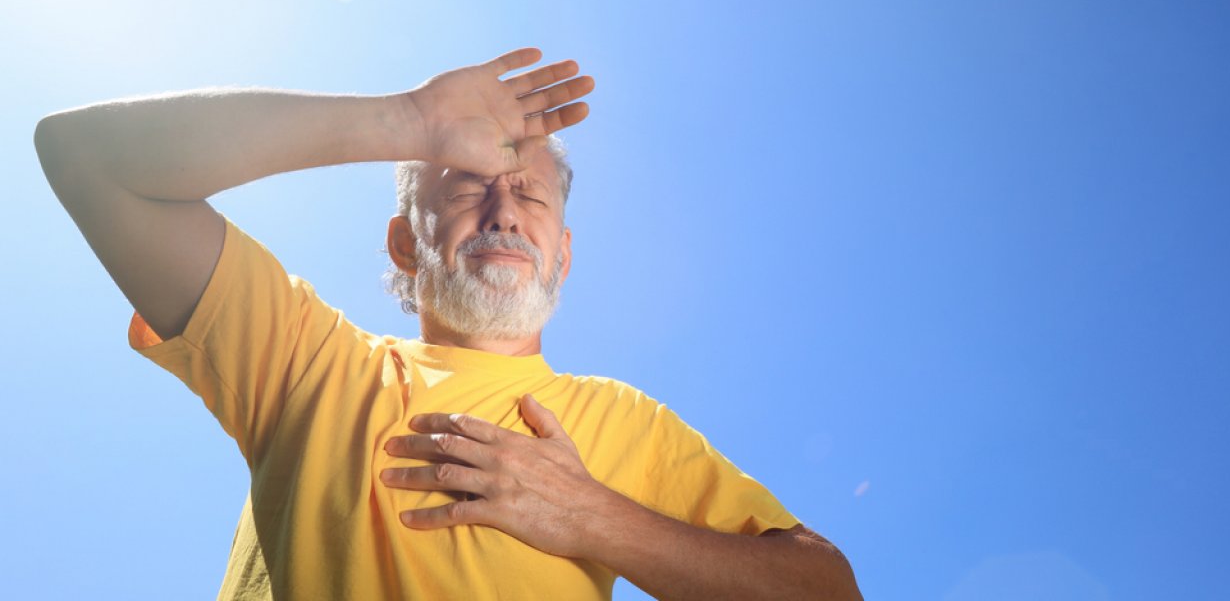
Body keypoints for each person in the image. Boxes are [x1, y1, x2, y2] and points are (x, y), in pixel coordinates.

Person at [35, 48, 861, 600]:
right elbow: (86, 156)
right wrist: (406, 121)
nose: (505, 209)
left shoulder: (625, 422)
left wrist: (591, 518)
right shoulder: (306, 361)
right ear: (404, 242)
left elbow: (828, 588)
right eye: (468, 184)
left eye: (531, 193)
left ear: (563, 254)